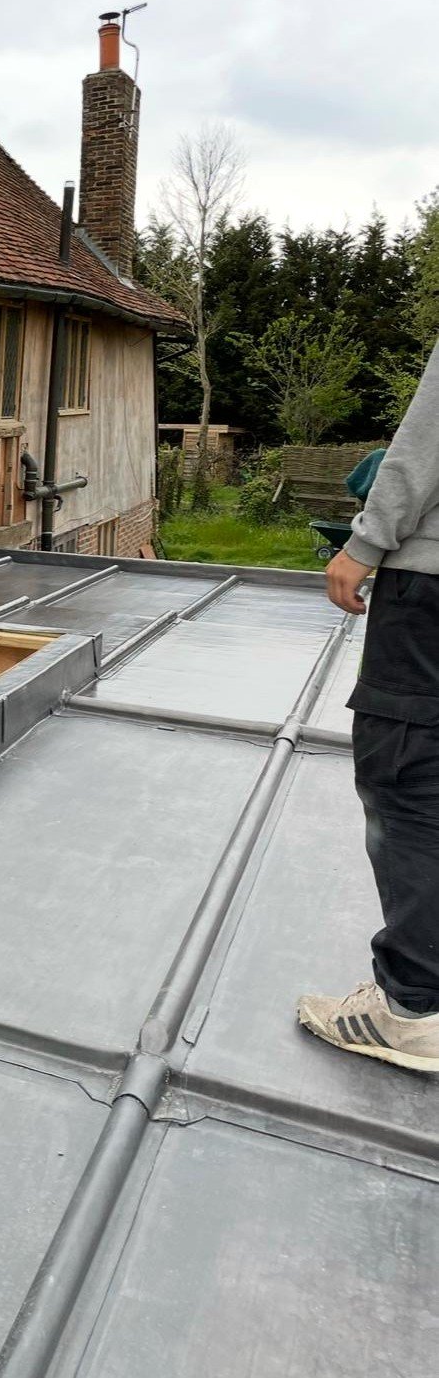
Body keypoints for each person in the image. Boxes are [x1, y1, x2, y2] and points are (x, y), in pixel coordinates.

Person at [297, 344, 439, 1071]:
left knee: (406, 780)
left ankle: (411, 1007)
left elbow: (423, 443)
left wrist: (364, 542)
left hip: (429, 592)